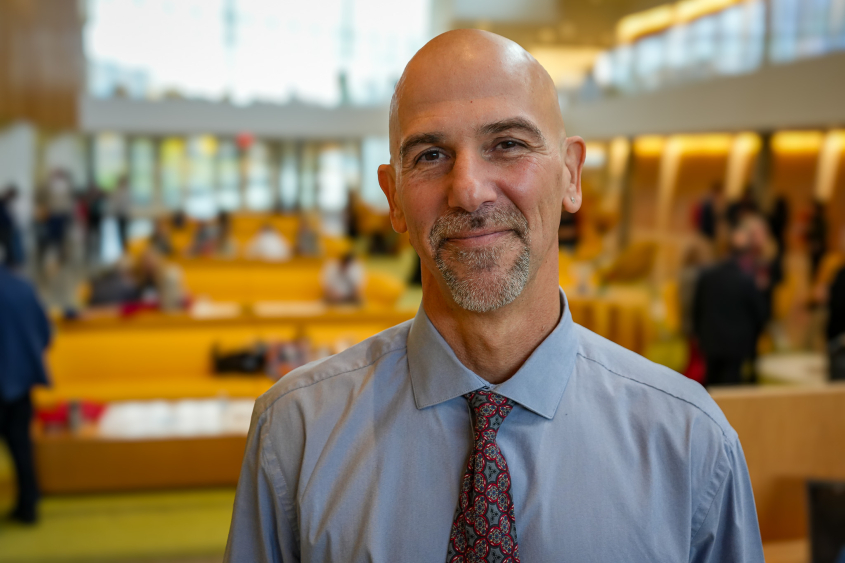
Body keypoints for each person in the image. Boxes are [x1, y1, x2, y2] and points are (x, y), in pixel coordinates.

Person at [225, 30, 764, 562]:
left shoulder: (691, 443)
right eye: (432, 155)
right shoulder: (295, 435)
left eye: (507, 144)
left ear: (571, 176)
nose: (469, 189)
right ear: (394, 199)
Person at [0, 265, 52, 523]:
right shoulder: (23, 287)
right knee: (22, 447)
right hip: (20, 382)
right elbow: (45, 333)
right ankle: (28, 506)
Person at [694, 217, 769, 386]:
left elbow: (696, 310)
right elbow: (760, 314)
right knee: (731, 388)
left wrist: (698, 335)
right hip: (737, 345)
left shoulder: (706, 276)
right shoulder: (747, 281)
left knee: (711, 385)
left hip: (710, 341)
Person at [0, 185, 24, 268]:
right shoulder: (4, 202)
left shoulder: (6, 202)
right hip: (5, 227)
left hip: (8, 227)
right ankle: (11, 262)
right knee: (8, 246)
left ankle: (12, 262)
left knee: (9, 246)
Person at [112, 176, 132, 252]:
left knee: (125, 232)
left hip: (124, 215)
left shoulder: (126, 191)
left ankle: (125, 247)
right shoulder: (118, 192)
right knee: (121, 232)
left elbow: (128, 204)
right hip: (120, 215)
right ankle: (123, 247)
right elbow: (116, 204)